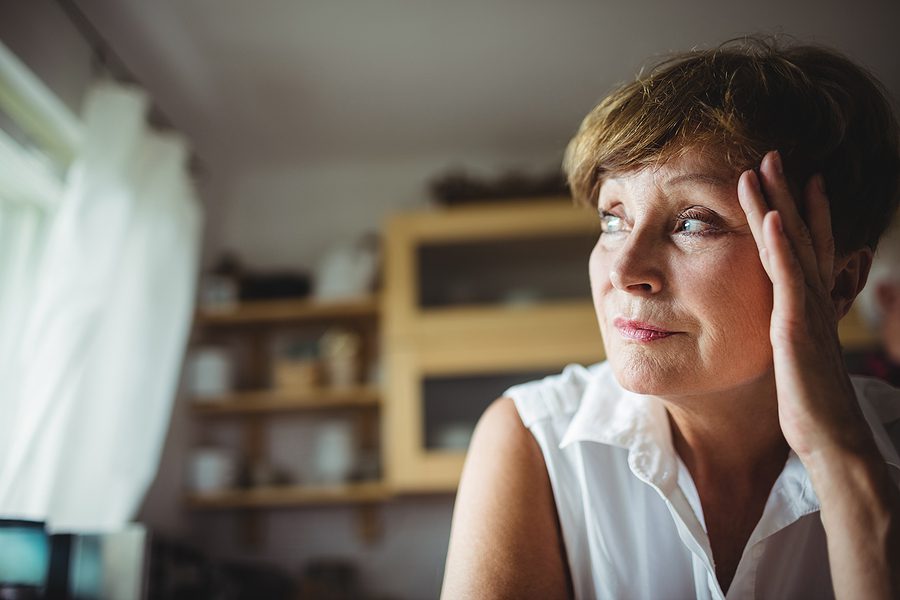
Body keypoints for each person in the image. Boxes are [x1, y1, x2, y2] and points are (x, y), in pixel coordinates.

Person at [441, 37, 900, 599]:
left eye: (694, 222)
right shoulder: (533, 437)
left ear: (838, 282)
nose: (626, 270)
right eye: (614, 219)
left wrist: (838, 456)